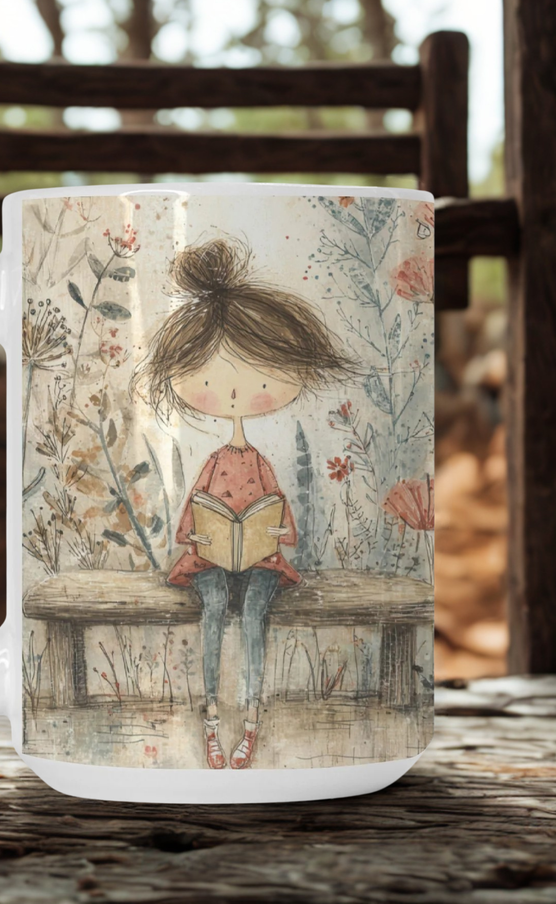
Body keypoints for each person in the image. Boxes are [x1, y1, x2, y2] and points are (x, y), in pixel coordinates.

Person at [135, 239, 356, 769]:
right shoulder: (214, 460)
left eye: (260, 378)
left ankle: (251, 721)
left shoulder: (260, 462)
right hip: (211, 555)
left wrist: (278, 536)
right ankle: (213, 718)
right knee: (213, 609)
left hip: (259, 556)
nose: (236, 393)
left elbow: (278, 510)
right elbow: (194, 512)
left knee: (255, 611)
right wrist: (200, 538)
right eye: (210, 379)